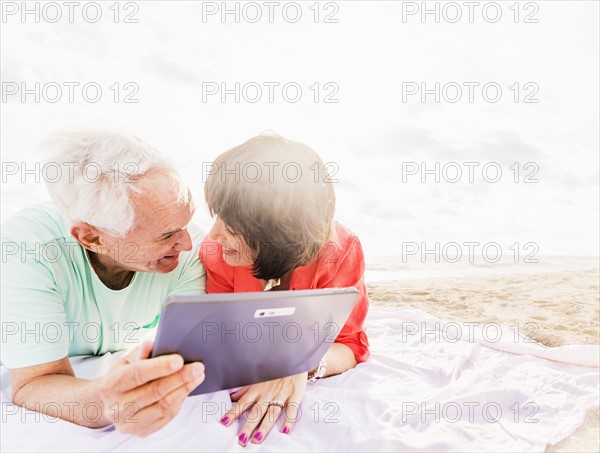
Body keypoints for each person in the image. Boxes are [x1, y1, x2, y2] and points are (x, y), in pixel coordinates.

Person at [1, 129, 206, 436]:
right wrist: (106, 403)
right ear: (92, 238)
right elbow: (34, 384)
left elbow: (207, 348)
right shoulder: (27, 250)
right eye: (166, 235)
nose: (188, 244)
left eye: (186, 222)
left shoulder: (190, 250)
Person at [199, 134, 370, 447]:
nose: (213, 234)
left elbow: (350, 345)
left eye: (233, 224)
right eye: (216, 214)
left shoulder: (341, 252)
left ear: (277, 229)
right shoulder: (217, 253)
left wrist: (301, 363)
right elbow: (221, 335)